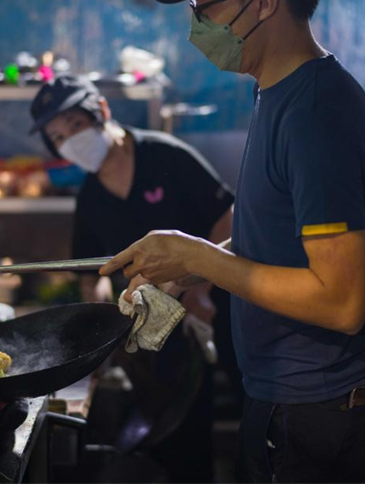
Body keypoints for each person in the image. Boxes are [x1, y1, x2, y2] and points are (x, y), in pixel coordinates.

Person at [99, 0, 365, 482]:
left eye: (204, 7)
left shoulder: (315, 112)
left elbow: (341, 301)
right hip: (284, 394)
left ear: (262, 2)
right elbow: (280, 239)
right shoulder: (276, 93)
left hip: (316, 405)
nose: (196, 27)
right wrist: (197, 266)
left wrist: (200, 254)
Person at [28, 74, 235, 482]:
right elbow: (93, 274)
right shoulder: (90, 197)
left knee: (216, 418)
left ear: (102, 111)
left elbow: (228, 215)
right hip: (154, 327)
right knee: (167, 431)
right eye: (58, 137)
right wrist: (104, 328)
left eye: (74, 125)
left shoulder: (164, 155)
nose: (69, 140)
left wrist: (204, 287)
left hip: (212, 307)